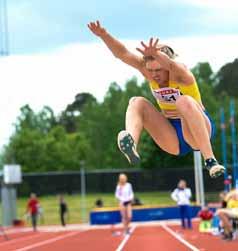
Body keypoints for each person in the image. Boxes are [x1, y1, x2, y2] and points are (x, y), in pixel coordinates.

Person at [88, 21, 225, 178]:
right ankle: (131, 142)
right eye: (151, 70)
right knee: (136, 102)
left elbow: (172, 66)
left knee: (183, 101)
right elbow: (123, 54)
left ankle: (210, 160)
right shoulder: (149, 72)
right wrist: (104, 35)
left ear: (167, 65)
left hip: (198, 130)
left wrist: (158, 54)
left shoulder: (181, 74)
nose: (154, 75)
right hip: (172, 137)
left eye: (159, 70)